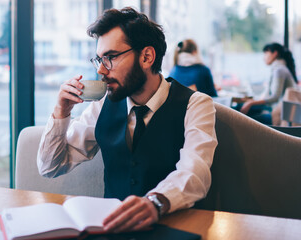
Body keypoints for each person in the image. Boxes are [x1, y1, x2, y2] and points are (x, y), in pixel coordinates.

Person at [37, 7, 217, 233]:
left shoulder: (196, 104)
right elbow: (50, 167)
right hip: (113, 230)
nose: (101, 70)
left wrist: (155, 202)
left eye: (110, 58)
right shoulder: (103, 105)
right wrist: (61, 111)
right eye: (99, 59)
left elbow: (195, 172)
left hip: (174, 228)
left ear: (146, 57)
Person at [239, 42, 298, 124]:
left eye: (266, 53)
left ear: (275, 54)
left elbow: (274, 98)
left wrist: (251, 103)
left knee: (242, 118)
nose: (264, 57)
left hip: (279, 115)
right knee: (242, 111)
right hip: (279, 111)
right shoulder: (279, 69)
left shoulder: (279, 70)